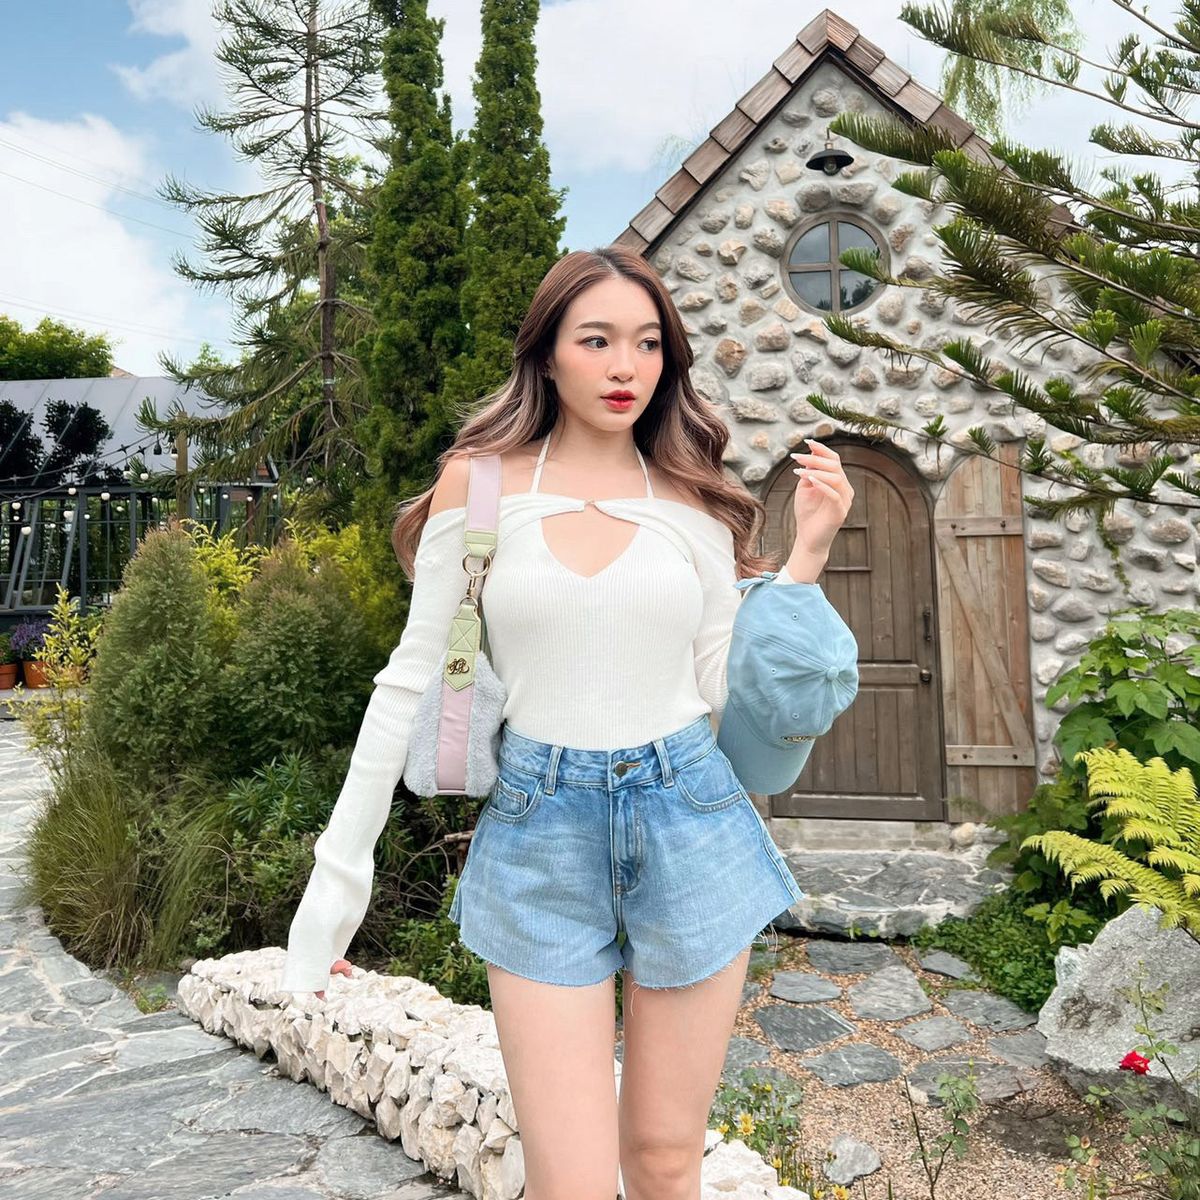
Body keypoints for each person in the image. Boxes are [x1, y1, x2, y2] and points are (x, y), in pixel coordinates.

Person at [278, 244, 854, 1200]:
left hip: (690, 816)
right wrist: (337, 885)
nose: (626, 366)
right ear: (547, 353)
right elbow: (410, 680)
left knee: (666, 1160)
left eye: (648, 343)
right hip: (539, 828)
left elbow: (723, 687)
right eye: (597, 340)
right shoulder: (480, 484)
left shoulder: (695, 500)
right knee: (570, 1180)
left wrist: (804, 565)